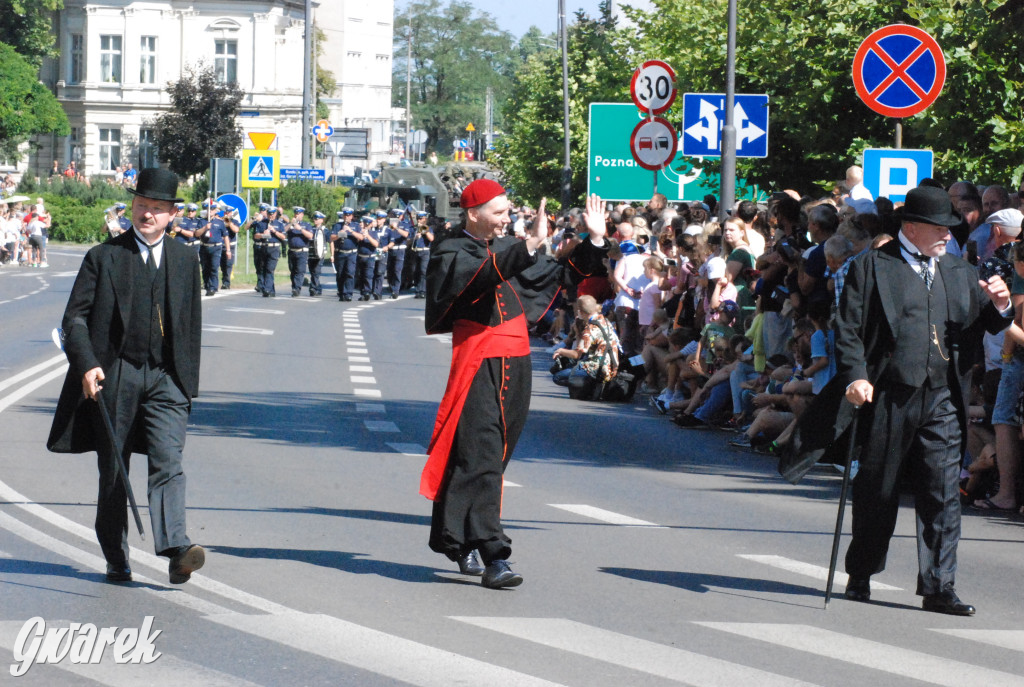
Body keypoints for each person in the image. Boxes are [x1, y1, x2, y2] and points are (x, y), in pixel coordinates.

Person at [837, 185, 1011, 616]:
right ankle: (861, 571)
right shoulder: (874, 266)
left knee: (943, 493)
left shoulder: (956, 269)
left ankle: (939, 586)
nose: (946, 236)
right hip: (890, 393)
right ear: (910, 228)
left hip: (942, 398)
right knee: (879, 487)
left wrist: (1003, 304)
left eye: (949, 228)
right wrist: (856, 377)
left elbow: (985, 321)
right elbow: (848, 328)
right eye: (937, 228)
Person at [47, 167, 205, 585]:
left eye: (156, 208)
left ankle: (176, 550)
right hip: (116, 373)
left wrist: (187, 383)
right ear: (131, 208)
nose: (147, 214)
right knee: (114, 471)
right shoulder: (103, 256)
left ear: (172, 214)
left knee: (168, 460)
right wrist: (87, 363)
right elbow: (75, 319)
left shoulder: (186, 260)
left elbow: (191, 325)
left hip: (167, 378)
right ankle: (116, 555)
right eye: (141, 206)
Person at [420, 179, 570, 589]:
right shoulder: (452, 250)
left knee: (488, 458)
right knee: (481, 455)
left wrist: (591, 243)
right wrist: (529, 245)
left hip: (518, 363)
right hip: (478, 362)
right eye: (500, 212)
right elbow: (479, 278)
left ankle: (454, 536)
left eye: (509, 211)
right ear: (474, 213)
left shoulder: (508, 249)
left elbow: (554, 276)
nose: (508, 218)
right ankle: (494, 555)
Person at [195, 205, 230, 296]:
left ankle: (212, 287)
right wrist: (205, 228)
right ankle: (207, 285)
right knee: (205, 268)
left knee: (214, 267)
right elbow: (196, 234)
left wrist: (228, 250)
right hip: (204, 247)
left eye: (212, 210)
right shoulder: (202, 221)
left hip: (216, 247)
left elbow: (225, 236)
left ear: (215, 211)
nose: (210, 211)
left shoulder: (220, 222)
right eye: (209, 210)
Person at [329, 208, 359, 301]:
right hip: (340, 253)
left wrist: (351, 231)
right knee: (340, 274)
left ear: (352, 216)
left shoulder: (356, 225)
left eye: (349, 215)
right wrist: (339, 234)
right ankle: (341, 292)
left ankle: (349, 293)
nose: (347, 217)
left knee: (350, 273)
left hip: (351, 253)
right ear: (343, 216)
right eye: (345, 215)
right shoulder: (337, 226)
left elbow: (361, 237)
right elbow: (332, 238)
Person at [286, 207, 312, 297]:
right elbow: (283, 231)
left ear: (302, 215)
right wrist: (290, 224)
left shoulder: (306, 225)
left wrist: (300, 229)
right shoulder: (290, 225)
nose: (297, 215)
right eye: (296, 213)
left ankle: (297, 289)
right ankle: (294, 287)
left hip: (302, 251)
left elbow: (310, 235)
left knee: (300, 271)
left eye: (299, 214)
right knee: (292, 271)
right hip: (292, 251)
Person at [354, 215, 379, 300]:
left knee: (368, 275)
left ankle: (367, 292)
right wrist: (361, 235)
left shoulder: (374, 233)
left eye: (368, 224)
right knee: (360, 276)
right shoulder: (359, 232)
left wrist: (368, 236)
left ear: (371, 224)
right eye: (365, 224)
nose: (366, 226)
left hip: (370, 257)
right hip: (360, 256)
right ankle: (362, 293)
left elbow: (376, 244)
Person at [410, 211, 433, 298]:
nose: (419, 220)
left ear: (424, 219)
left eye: (421, 218)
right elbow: (409, 241)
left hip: (425, 251)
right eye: (418, 218)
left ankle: (422, 290)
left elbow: (431, 238)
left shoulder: (427, 228)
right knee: (415, 271)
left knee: (423, 271)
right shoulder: (414, 228)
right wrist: (414, 237)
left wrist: (424, 231)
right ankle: (417, 289)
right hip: (416, 251)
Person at [307, 211, 326, 297]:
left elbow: (330, 241)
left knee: (316, 271)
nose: (315, 220)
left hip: (320, 254)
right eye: (314, 218)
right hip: (311, 254)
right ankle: (318, 288)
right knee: (312, 272)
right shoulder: (311, 229)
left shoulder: (325, 230)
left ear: (321, 220)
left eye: (317, 219)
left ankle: (313, 288)